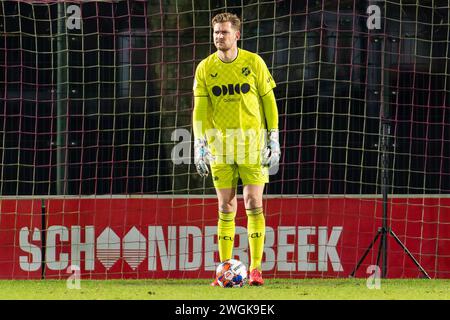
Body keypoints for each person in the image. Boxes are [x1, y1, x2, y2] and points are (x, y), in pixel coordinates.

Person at [192, 12, 280, 286]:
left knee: (254, 203)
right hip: (220, 146)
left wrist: (274, 137)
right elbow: (200, 111)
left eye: (225, 32)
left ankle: (255, 269)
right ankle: (225, 271)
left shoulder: (254, 63)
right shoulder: (205, 68)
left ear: (237, 35)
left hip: (252, 144)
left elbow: (269, 103)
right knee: (225, 206)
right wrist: (199, 142)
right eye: (216, 32)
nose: (220, 36)